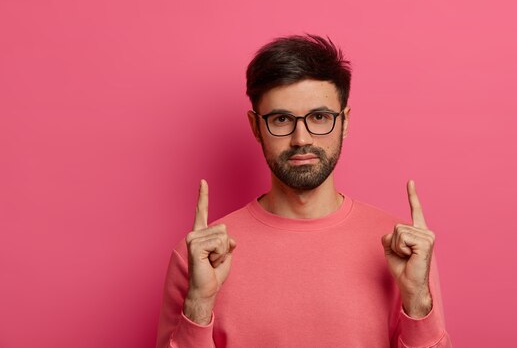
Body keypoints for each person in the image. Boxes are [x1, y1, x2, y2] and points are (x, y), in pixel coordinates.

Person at [156, 34, 451, 348]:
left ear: (345, 122)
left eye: (319, 117)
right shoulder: (201, 257)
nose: (301, 138)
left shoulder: (403, 248)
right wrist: (199, 304)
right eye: (281, 119)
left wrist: (418, 300)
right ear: (256, 127)